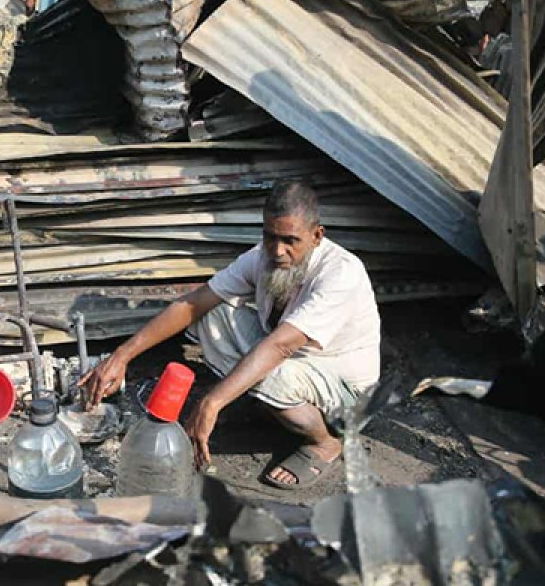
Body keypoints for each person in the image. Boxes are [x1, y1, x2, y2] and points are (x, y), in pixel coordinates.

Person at [79, 181, 381, 489]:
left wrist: (211, 402)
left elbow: (281, 346)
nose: (278, 250)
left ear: (317, 236)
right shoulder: (262, 257)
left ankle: (326, 443)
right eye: (270, 236)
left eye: (291, 240)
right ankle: (263, 405)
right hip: (289, 358)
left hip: (345, 391)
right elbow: (196, 303)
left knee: (272, 374)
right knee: (211, 312)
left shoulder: (341, 273)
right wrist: (121, 356)